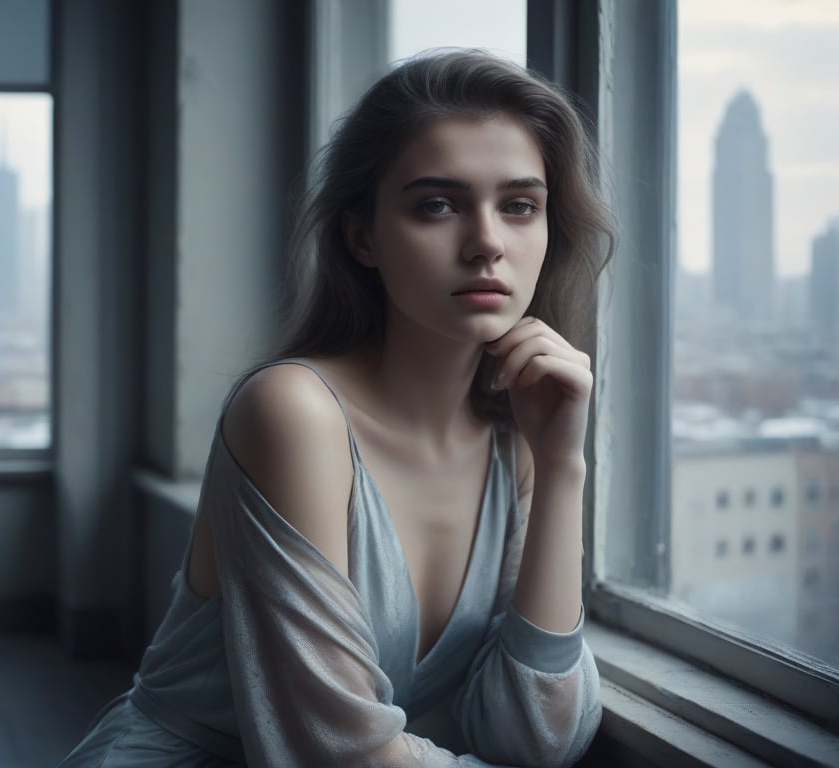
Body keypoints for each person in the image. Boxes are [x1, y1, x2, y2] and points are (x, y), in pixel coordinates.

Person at [59, 48, 616, 768]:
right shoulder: (292, 413)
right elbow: (342, 758)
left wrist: (563, 463)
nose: (487, 244)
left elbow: (538, 734)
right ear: (362, 237)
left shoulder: (519, 440)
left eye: (519, 206)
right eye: (437, 205)